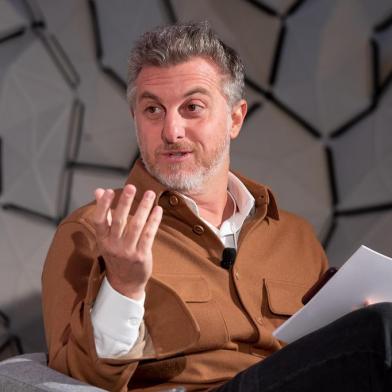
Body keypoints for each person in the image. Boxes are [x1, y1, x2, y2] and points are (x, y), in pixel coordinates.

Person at [42, 21, 392, 392]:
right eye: (152, 110)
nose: (171, 131)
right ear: (135, 120)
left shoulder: (295, 236)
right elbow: (70, 380)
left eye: (192, 107)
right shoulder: (92, 231)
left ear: (235, 118)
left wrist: (348, 332)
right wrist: (124, 286)